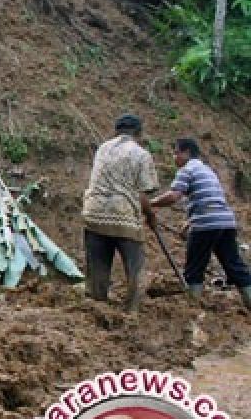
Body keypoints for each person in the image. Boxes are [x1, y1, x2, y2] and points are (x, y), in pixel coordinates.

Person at [148, 137, 251, 308]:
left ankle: (192, 308)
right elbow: (209, 200)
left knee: (195, 268)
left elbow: (173, 196)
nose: (174, 157)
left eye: (176, 153)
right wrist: (189, 222)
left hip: (206, 225)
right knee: (234, 265)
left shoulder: (186, 170)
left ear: (187, 153)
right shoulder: (207, 170)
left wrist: (149, 203)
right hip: (225, 222)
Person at [81, 113, 158, 312]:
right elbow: (142, 194)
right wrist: (150, 216)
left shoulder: (102, 149)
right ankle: (132, 312)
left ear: (116, 131)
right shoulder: (141, 154)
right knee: (136, 270)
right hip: (124, 218)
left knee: (97, 270)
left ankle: (97, 309)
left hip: (94, 214)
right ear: (139, 133)